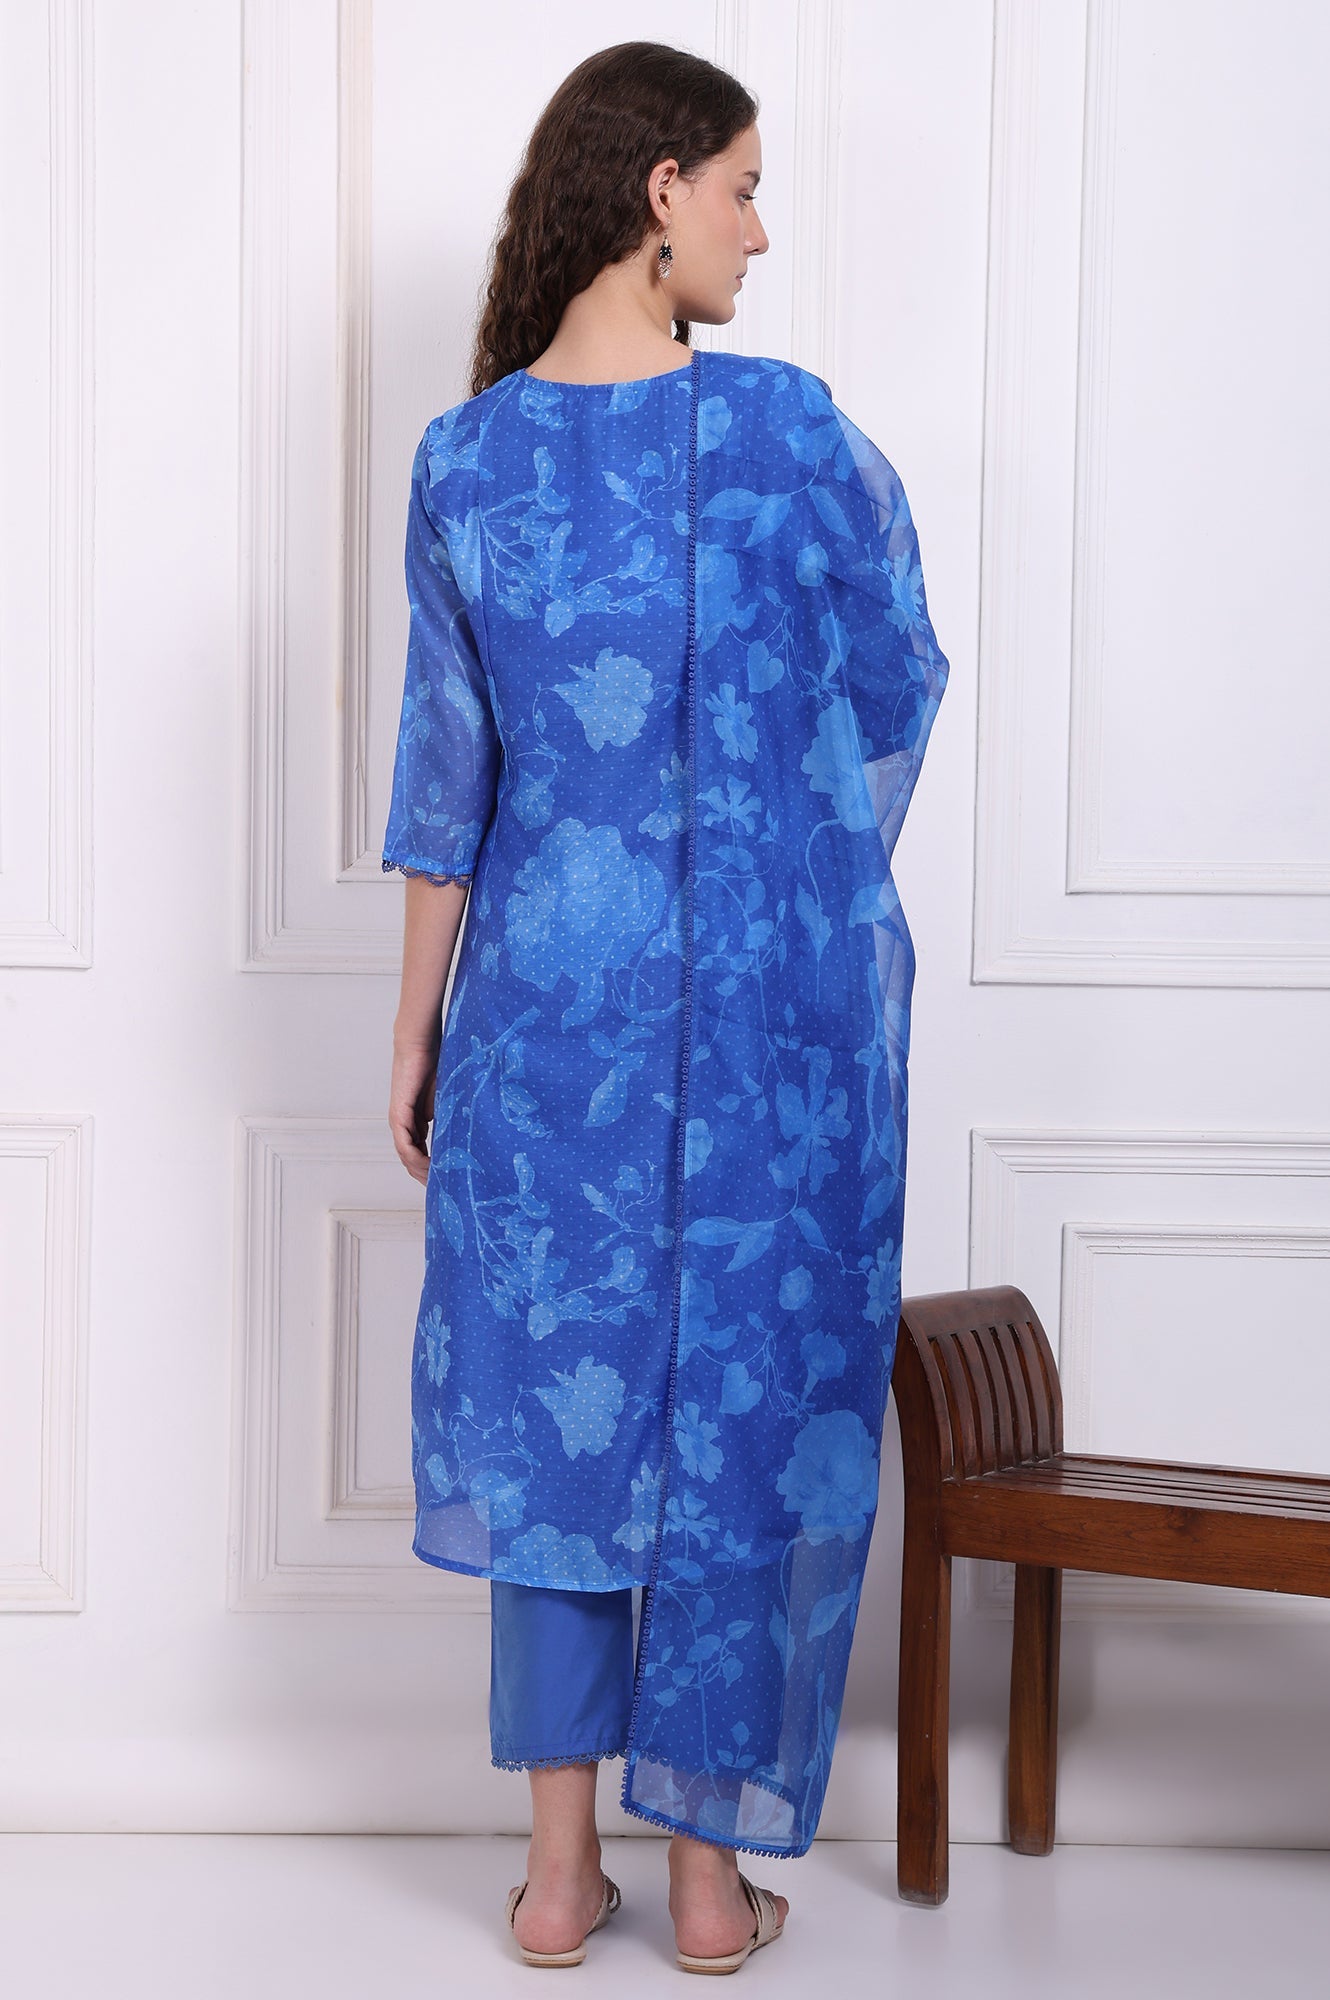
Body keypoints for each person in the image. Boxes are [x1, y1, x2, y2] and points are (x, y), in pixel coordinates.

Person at [383, 39, 950, 1972]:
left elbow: (443, 790)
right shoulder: (786, 435)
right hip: (766, 1035)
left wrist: (415, 1036)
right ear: (659, 190)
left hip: (541, 1020)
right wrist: (781, 859)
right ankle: (709, 1886)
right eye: (743, 189)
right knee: (734, 1404)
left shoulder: (463, 460)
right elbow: (897, 672)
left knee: (556, 1418)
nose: (757, 232)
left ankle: (560, 1882)